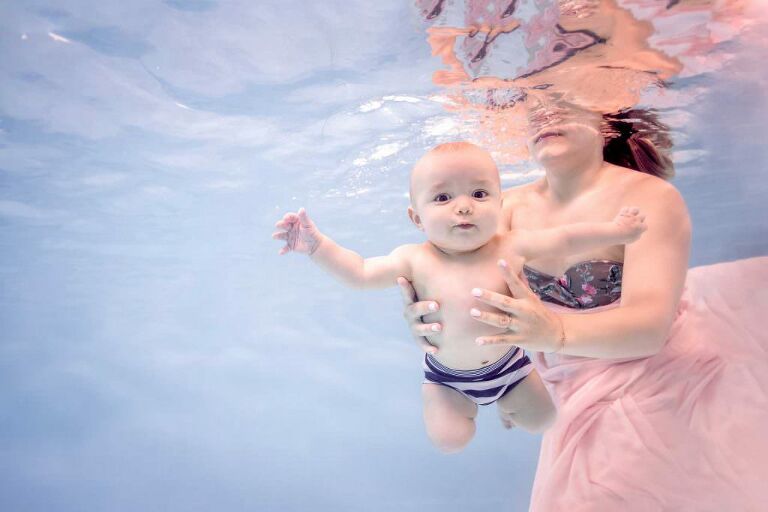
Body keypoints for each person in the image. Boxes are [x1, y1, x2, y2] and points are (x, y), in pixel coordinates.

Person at [399, 98, 768, 509]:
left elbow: (648, 330)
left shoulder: (649, 198)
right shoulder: (505, 208)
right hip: (568, 384)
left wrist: (554, 333)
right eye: (532, 101)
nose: (542, 109)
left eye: (563, 99)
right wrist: (429, 321)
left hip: (661, 372)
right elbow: (455, 285)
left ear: (604, 113)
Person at [273, 141, 648, 454]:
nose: (464, 205)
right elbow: (360, 273)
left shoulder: (513, 245)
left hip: (509, 368)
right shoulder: (413, 258)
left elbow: (565, 238)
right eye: (442, 197)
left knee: (543, 422)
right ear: (416, 218)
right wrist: (317, 246)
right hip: (447, 377)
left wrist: (615, 231)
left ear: (500, 204)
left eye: (480, 193)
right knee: (451, 440)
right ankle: (455, 403)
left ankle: (507, 408)